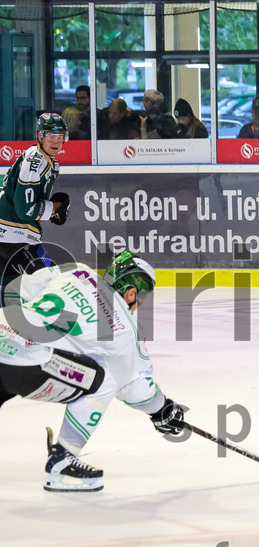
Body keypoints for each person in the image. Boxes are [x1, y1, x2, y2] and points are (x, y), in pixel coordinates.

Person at [0, 252, 187, 492]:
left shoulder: (76, 269)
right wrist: (162, 409)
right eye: (142, 297)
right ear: (131, 292)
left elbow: (18, 289)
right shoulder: (125, 329)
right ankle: (63, 457)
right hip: (25, 363)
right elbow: (131, 385)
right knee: (105, 382)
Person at [0, 113, 71, 293]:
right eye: (52, 137)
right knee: (54, 283)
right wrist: (54, 209)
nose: (57, 142)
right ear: (40, 136)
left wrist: (53, 209)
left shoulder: (44, 160)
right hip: (13, 233)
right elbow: (25, 209)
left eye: (61, 137)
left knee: (7, 289)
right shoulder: (35, 160)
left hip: (9, 232)